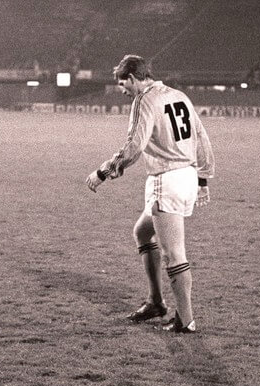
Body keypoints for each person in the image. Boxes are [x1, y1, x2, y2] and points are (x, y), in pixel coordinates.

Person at [85, 54, 215, 333]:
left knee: (174, 253)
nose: (122, 90)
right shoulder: (178, 95)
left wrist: (104, 171)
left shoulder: (144, 100)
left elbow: (134, 145)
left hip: (166, 179)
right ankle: (156, 302)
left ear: (133, 78)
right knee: (143, 232)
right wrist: (203, 179)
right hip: (188, 175)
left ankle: (186, 320)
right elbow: (201, 137)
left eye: (123, 83)